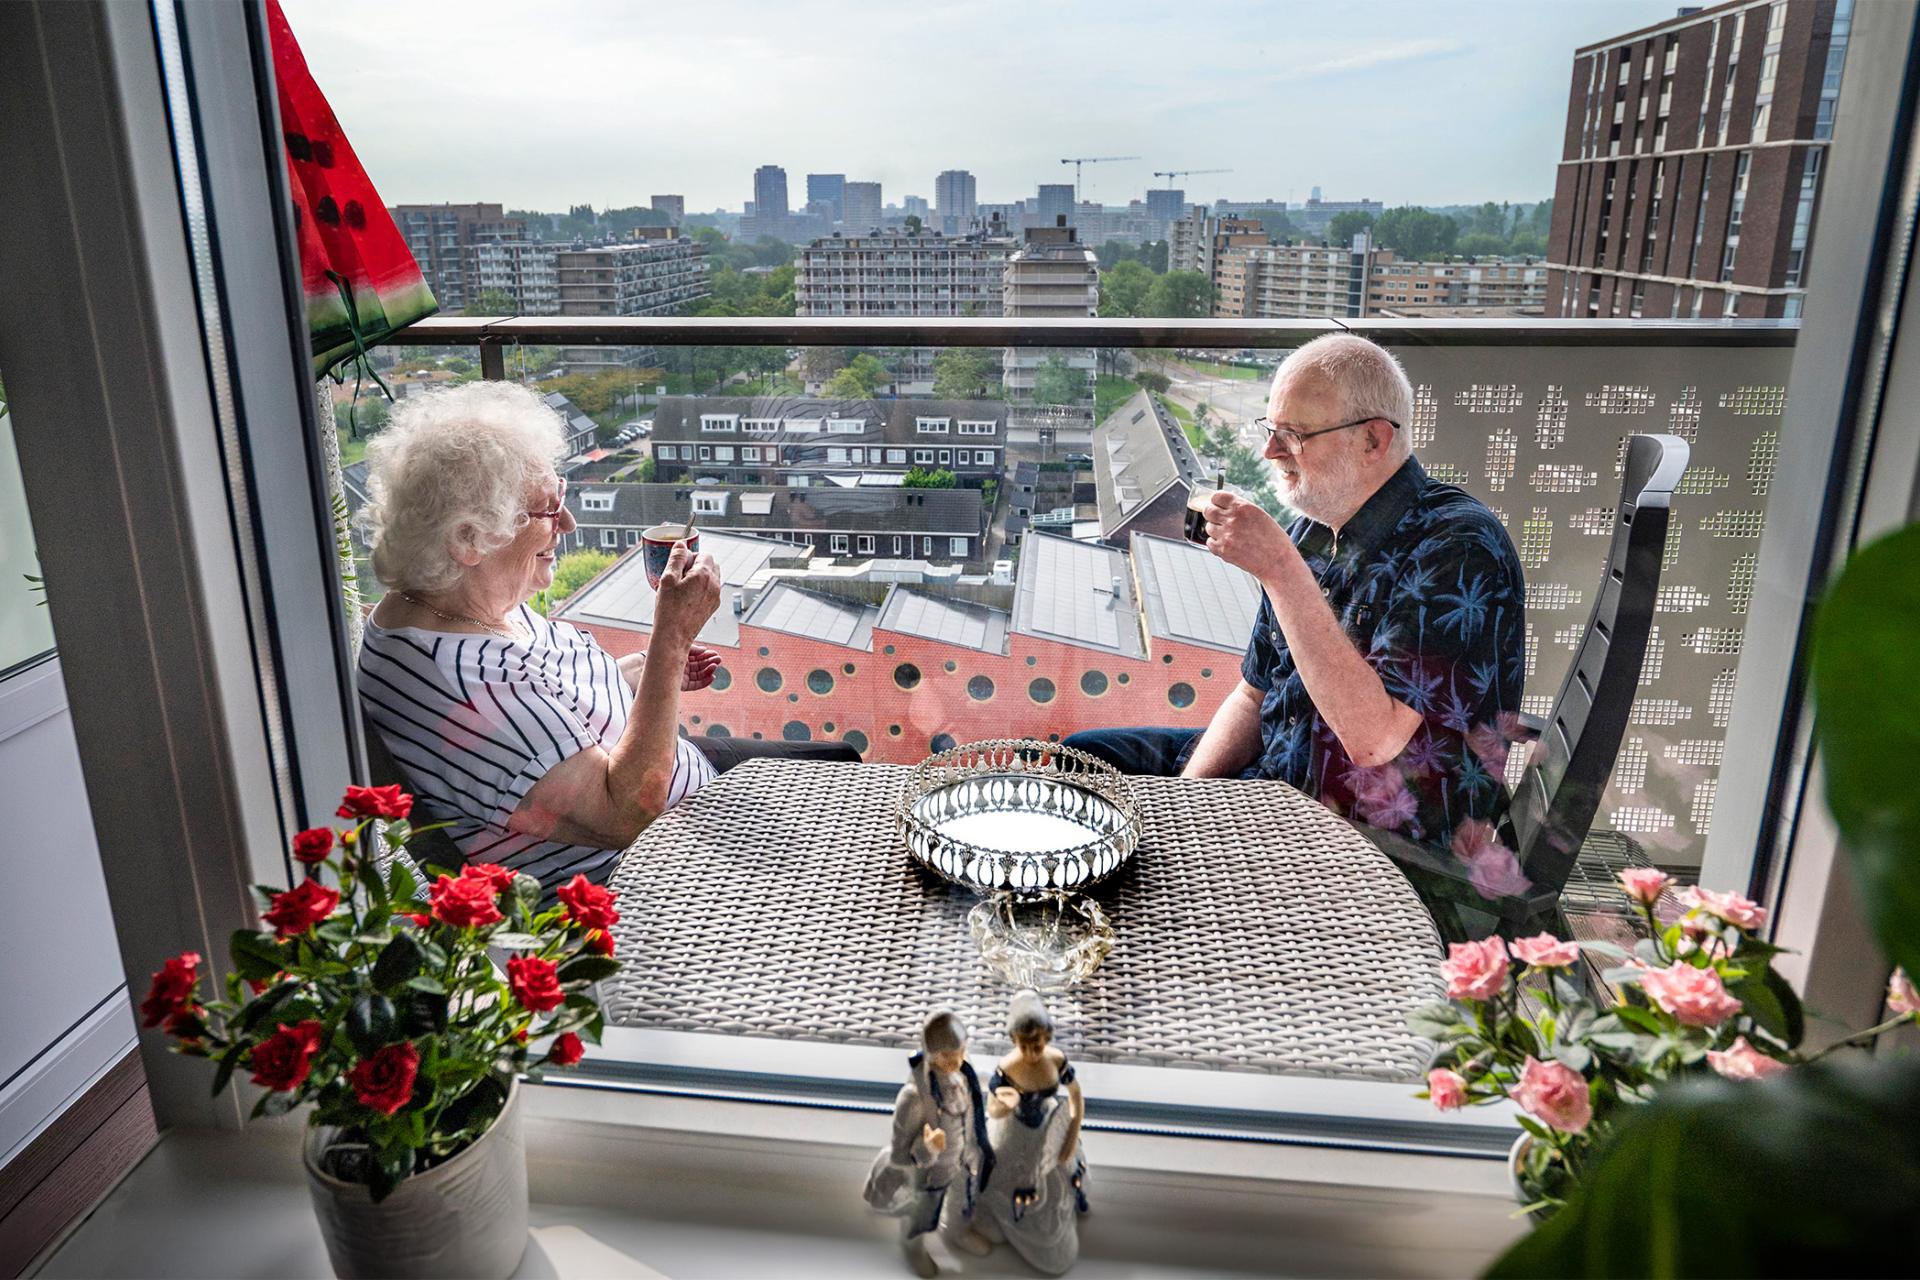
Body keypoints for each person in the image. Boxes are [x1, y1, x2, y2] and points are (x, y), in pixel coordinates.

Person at [1066, 334, 1529, 896]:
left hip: (1369, 839)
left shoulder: (1458, 549)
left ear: (1374, 439)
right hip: (1275, 776)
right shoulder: (1316, 526)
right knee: (1077, 764)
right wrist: (1187, 802)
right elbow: (1254, 694)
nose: (1270, 453)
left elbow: (1375, 743)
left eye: (1295, 436)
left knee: (1115, 865)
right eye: (1271, 430)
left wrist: (1282, 572)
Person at [355, 381, 856, 891]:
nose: (567, 523)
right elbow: (627, 814)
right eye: (549, 510)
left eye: (563, 497)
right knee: (845, 841)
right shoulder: (465, 685)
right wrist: (671, 640)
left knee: (843, 769)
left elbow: (544, 708)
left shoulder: (451, 601)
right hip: (652, 867)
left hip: (672, 775)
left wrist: (638, 673)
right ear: (469, 538)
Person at [864, 1009, 995, 1278]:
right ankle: (913, 1247)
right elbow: (900, 1156)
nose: (956, 1061)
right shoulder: (914, 1098)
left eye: (960, 1051)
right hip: (930, 1173)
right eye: (948, 1056)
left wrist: (973, 1149)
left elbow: (970, 1119)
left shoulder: (963, 1080)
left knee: (962, 1204)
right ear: (932, 1054)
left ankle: (958, 1232)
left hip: (961, 1162)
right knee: (922, 1216)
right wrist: (927, 1148)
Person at [976, 990, 1086, 1275]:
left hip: (1050, 1123)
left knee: (1061, 1169)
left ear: (1046, 1037)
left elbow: (1075, 1096)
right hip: (1016, 1130)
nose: (1031, 1053)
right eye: (1024, 1046)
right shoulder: (1007, 1068)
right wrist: (1006, 1103)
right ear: (1014, 1041)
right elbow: (993, 1109)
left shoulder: (1056, 1060)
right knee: (1013, 1176)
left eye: (1036, 1044)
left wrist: (1072, 1132)